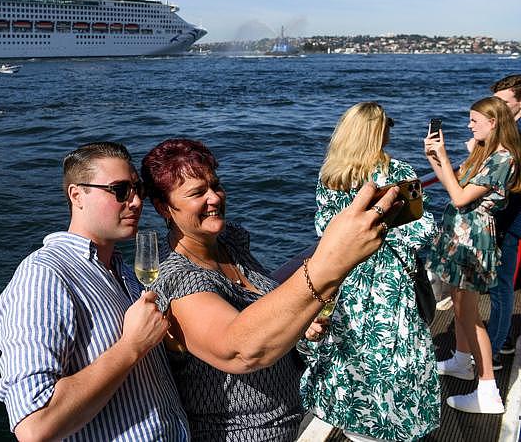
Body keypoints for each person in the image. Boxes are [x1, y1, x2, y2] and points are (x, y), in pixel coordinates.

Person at [141, 138, 402, 441]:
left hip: (289, 420)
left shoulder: (230, 242)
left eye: (216, 185)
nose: (215, 197)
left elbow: (265, 313)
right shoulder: (177, 278)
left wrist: (299, 324)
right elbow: (239, 350)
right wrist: (332, 261)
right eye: (198, 193)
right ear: (164, 207)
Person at [0, 141, 189, 441]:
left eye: (138, 190)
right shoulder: (46, 275)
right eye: (120, 191)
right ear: (77, 195)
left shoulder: (124, 273)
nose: (136, 202)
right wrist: (131, 347)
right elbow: (35, 426)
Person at [300, 102, 439, 442]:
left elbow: (324, 229)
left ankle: (357, 428)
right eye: (388, 124)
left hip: (349, 278)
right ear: (378, 132)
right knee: (393, 359)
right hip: (389, 283)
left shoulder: (331, 176)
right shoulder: (399, 173)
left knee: (351, 356)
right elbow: (424, 229)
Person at [426, 96, 521, 414]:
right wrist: (435, 160)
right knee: (457, 304)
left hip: (473, 241)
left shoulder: (502, 159)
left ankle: (487, 391)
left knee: (469, 314)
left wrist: (443, 155)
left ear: (493, 123)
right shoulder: (485, 153)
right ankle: (462, 361)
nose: (469, 126)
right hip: (458, 237)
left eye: (474, 121)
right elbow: (453, 187)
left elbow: (459, 196)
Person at [489, 74, 521, 369]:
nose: (495, 108)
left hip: (513, 222)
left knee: (502, 287)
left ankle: (494, 352)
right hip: (507, 219)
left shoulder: (516, 135)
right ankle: (503, 339)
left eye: (503, 102)